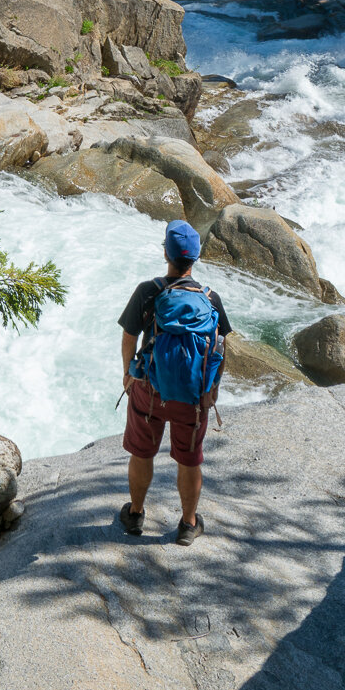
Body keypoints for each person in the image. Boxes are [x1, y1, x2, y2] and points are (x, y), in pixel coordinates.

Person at [117, 220, 231, 542]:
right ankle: (188, 524)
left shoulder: (148, 291)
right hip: (192, 397)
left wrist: (128, 374)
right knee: (189, 458)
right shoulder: (210, 298)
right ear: (194, 259)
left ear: (166, 253)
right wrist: (212, 390)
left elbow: (129, 336)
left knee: (142, 453)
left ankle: (136, 515)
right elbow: (222, 346)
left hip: (150, 391)